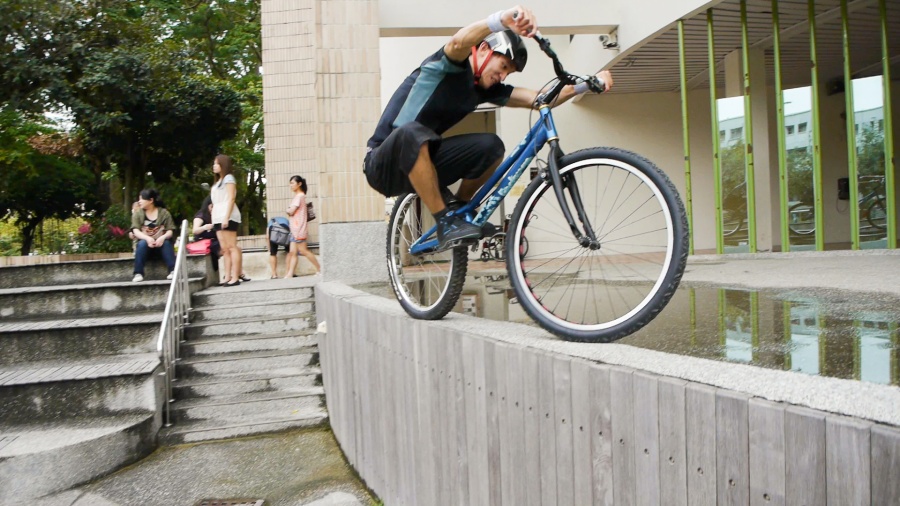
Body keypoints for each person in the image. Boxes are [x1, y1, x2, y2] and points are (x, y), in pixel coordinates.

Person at [363, 6, 612, 250]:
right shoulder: (447, 66)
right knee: (412, 131)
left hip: (422, 159)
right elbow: (458, 43)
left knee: (491, 146)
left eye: (509, 73)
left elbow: (539, 98)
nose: (503, 77)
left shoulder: (484, 90)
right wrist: (501, 20)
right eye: (503, 66)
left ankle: (459, 210)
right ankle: (445, 221)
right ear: (484, 49)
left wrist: (587, 84)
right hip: (382, 162)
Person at [210, 154, 249, 286]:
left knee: (232, 247)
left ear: (223, 164)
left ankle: (235, 277)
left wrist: (226, 217)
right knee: (225, 249)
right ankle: (227, 276)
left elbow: (231, 198)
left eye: (216, 163)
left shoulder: (229, 178)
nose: (214, 166)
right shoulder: (218, 182)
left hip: (228, 215)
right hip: (217, 216)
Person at [130, 188, 176, 282]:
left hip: (161, 247)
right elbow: (135, 230)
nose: (139, 201)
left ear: (151, 200)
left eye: (141, 199)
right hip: (145, 248)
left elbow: (170, 231)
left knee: (166, 243)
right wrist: (147, 238)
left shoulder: (164, 213)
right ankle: (138, 273)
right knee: (142, 243)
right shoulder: (138, 213)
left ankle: (173, 270)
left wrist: (162, 237)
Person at [285, 175, 321, 278]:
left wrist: (287, 210)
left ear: (299, 184)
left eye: (292, 183)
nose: (290, 185)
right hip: (295, 229)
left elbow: (291, 211)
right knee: (293, 252)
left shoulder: (299, 196)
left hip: (298, 229)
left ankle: (320, 268)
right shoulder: (300, 196)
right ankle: (290, 274)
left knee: (303, 251)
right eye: (290, 183)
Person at [191, 196, 221, 274]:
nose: (213, 209)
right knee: (225, 249)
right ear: (207, 205)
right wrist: (205, 227)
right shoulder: (201, 215)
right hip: (204, 241)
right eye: (212, 206)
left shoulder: (216, 215)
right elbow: (195, 230)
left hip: (214, 240)